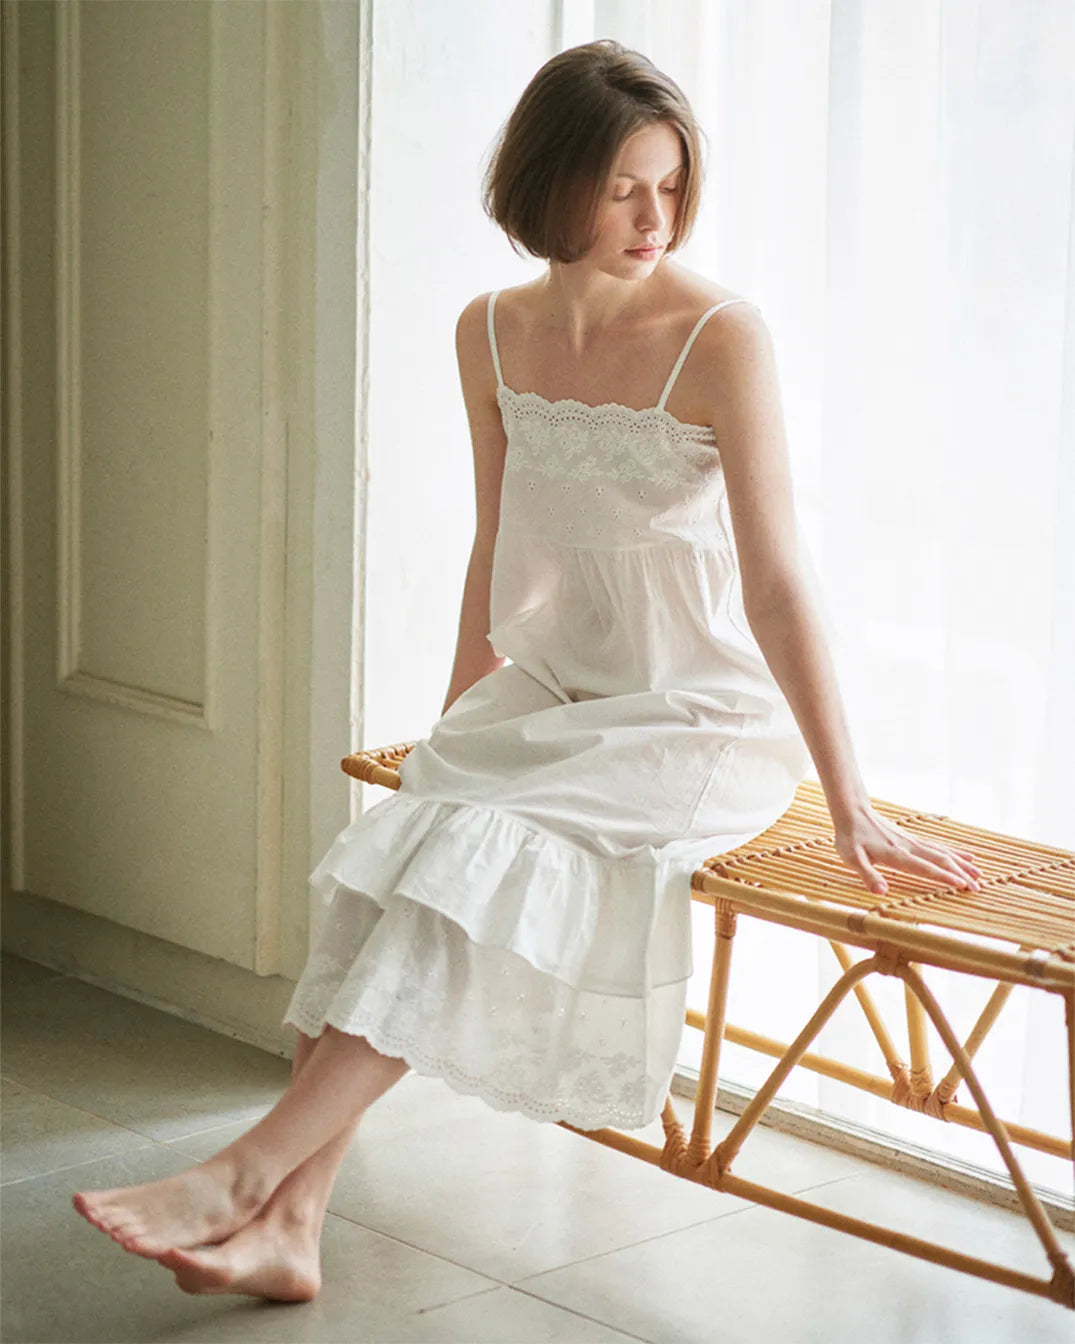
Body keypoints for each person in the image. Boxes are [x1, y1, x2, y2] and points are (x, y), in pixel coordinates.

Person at [71, 39, 982, 1301]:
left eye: (671, 185)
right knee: (396, 860)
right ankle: (292, 1229)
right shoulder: (490, 331)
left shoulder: (720, 337)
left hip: (695, 718)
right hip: (556, 692)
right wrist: (455, 732)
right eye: (622, 189)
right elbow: (495, 543)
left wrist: (849, 800)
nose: (654, 219)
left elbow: (779, 583)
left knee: (468, 863)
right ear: (551, 184)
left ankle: (245, 1176)